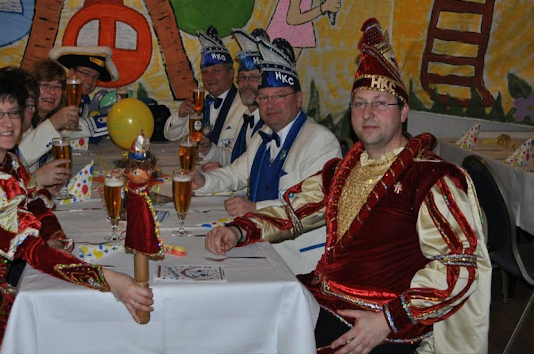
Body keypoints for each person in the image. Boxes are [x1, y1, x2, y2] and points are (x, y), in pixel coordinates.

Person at [205, 18, 491, 354]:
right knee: (234, 323)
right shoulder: (342, 171)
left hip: (384, 329)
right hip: (326, 303)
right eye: (359, 103)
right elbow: (292, 212)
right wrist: (239, 230)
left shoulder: (432, 178)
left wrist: (388, 320)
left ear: (403, 112)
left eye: (380, 103)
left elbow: (458, 267)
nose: (368, 113)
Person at [0, 72, 153, 354]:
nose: (8, 123)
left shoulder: (5, 161)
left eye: (13, 112)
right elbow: (31, 250)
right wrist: (110, 281)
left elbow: (36, 202)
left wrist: (54, 236)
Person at [194, 36, 341, 274]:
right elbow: (235, 174)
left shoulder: (320, 140)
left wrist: (254, 207)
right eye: (263, 97)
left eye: (279, 96)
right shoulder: (263, 135)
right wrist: (203, 181)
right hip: (260, 243)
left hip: (301, 260)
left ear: (299, 99)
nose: (270, 104)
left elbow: (311, 206)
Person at [163, 25, 245, 154]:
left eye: (216, 71)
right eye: (205, 72)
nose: (209, 77)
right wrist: (181, 115)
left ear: (231, 74)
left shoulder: (244, 105)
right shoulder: (199, 100)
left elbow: (240, 154)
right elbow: (170, 135)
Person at [198, 28, 267, 170]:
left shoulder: (270, 122)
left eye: (253, 77)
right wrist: (208, 149)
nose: (246, 84)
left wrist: (220, 175)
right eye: (243, 77)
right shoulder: (247, 117)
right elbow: (235, 158)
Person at [50, 45, 119, 144]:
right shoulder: (56, 97)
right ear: (72, 72)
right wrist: (115, 120)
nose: (90, 81)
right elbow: (64, 131)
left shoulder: (84, 101)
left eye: (95, 77)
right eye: (86, 73)